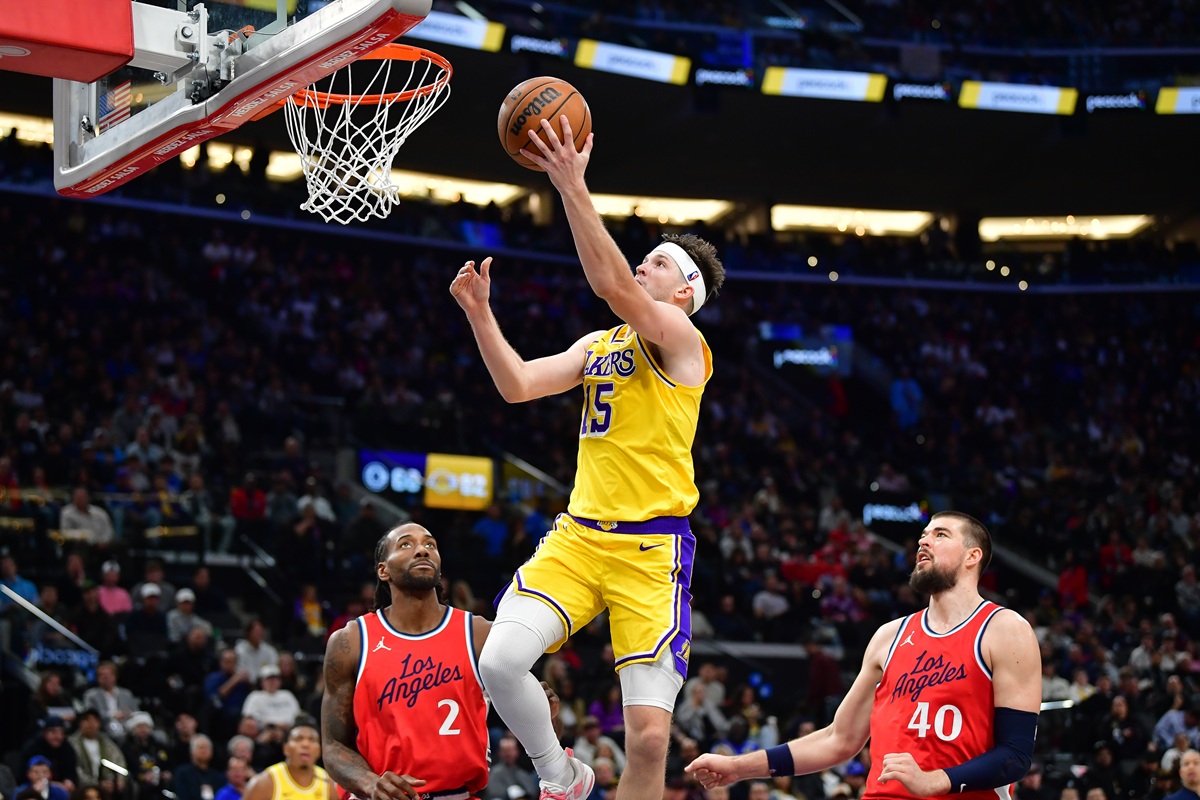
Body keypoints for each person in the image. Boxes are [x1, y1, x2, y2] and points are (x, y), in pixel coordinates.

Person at [451, 114, 726, 800]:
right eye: (647, 257)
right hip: (578, 538)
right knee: (501, 661)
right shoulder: (599, 343)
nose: (644, 264)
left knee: (651, 739)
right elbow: (517, 386)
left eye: (660, 262)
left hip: (650, 552)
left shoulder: (684, 342)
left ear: (685, 291)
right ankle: (560, 777)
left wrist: (571, 183)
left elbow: (612, 285)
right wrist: (482, 316)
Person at [686, 512, 1042, 800]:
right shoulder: (889, 636)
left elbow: (1014, 756)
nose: (924, 540)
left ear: (972, 556)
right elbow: (838, 739)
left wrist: (936, 781)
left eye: (940, 534)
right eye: (923, 534)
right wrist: (738, 768)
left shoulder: (1005, 629)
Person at [321, 524, 561, 800]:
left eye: (430, 544)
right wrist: (369, 782)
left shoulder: (480, 634)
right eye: (406, 545)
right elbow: (333, 745)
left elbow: (544, 736)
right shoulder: (351, 642)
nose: (422, 549)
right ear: (383, 570)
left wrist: (547, 716)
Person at [240, 717, 333, 800]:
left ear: (319, 750)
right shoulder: (264, 783)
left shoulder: (330, 785)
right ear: (286, 749)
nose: (305, 745)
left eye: (312, 740)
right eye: (298, 739)